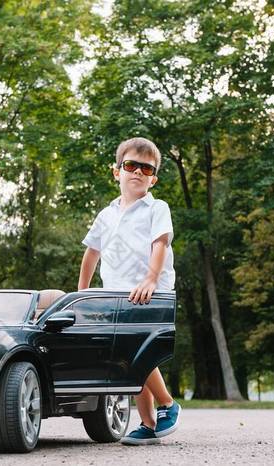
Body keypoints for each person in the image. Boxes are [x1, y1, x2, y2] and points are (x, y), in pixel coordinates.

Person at [77, 137, 181, 446]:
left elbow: (160, 243)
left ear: (153, 178)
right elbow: (91, 253)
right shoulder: (106, 215)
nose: (137, 172)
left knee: (136, 351)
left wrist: (151, 278)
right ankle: (148, 424)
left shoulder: (156, 208)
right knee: (129, 357)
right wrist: (82, 292)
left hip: (150, 291)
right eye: (131, 165)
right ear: (116, 171)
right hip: (115, 293)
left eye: (145, 168)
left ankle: (167, 404)